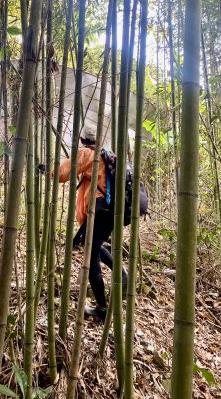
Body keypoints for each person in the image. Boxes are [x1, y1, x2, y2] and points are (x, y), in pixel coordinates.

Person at [55, 124, 127, 323]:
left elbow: (61, 173)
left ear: (82, 140)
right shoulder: (106, 155)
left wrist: (47, 171)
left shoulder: (88, 154)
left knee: (91, 258)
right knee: (93, 246)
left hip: (99, 212)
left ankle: (102, 309)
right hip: (110, 212)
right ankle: (122, 274)